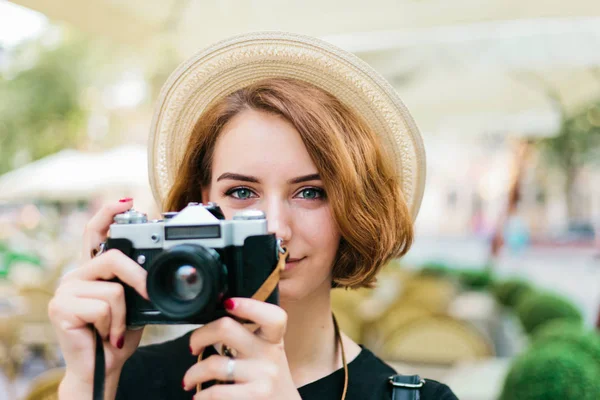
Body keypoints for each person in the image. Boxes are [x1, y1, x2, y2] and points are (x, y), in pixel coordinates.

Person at [48, 32, 457, 399]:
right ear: (202, 204)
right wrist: (86, 381)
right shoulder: (125, 381)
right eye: (242, 192)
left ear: (355, 210)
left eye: (311, 192)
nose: (276, 227)